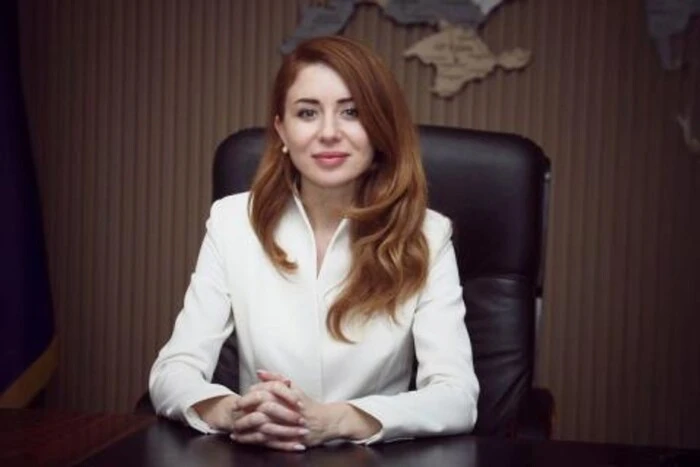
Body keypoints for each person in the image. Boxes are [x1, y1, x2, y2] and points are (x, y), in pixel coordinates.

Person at [149, 35, 479, 451]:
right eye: (307, 113)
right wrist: (235, 411)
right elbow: (172, 371)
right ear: (281, 131)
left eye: (351, 112)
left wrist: (336, 420)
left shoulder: (427, 234)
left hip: (371, 459)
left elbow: (456, 396)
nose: (328, 133)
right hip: (261, 456)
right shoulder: (232, 222)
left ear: (380, 129)